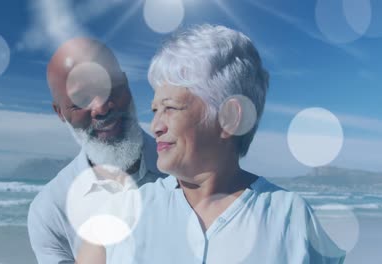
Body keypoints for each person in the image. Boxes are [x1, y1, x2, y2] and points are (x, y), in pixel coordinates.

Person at [78, 24, 345, 263]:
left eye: (170, 108)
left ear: (230, 118)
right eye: (155, 110)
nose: (155, 126)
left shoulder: (290, 218)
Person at [27, 37, 168, 264]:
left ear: (127, 85)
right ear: (60, 112)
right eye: (81, 99)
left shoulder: (190, 172)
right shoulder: (51, 210)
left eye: (110, 87)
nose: (101, 107)